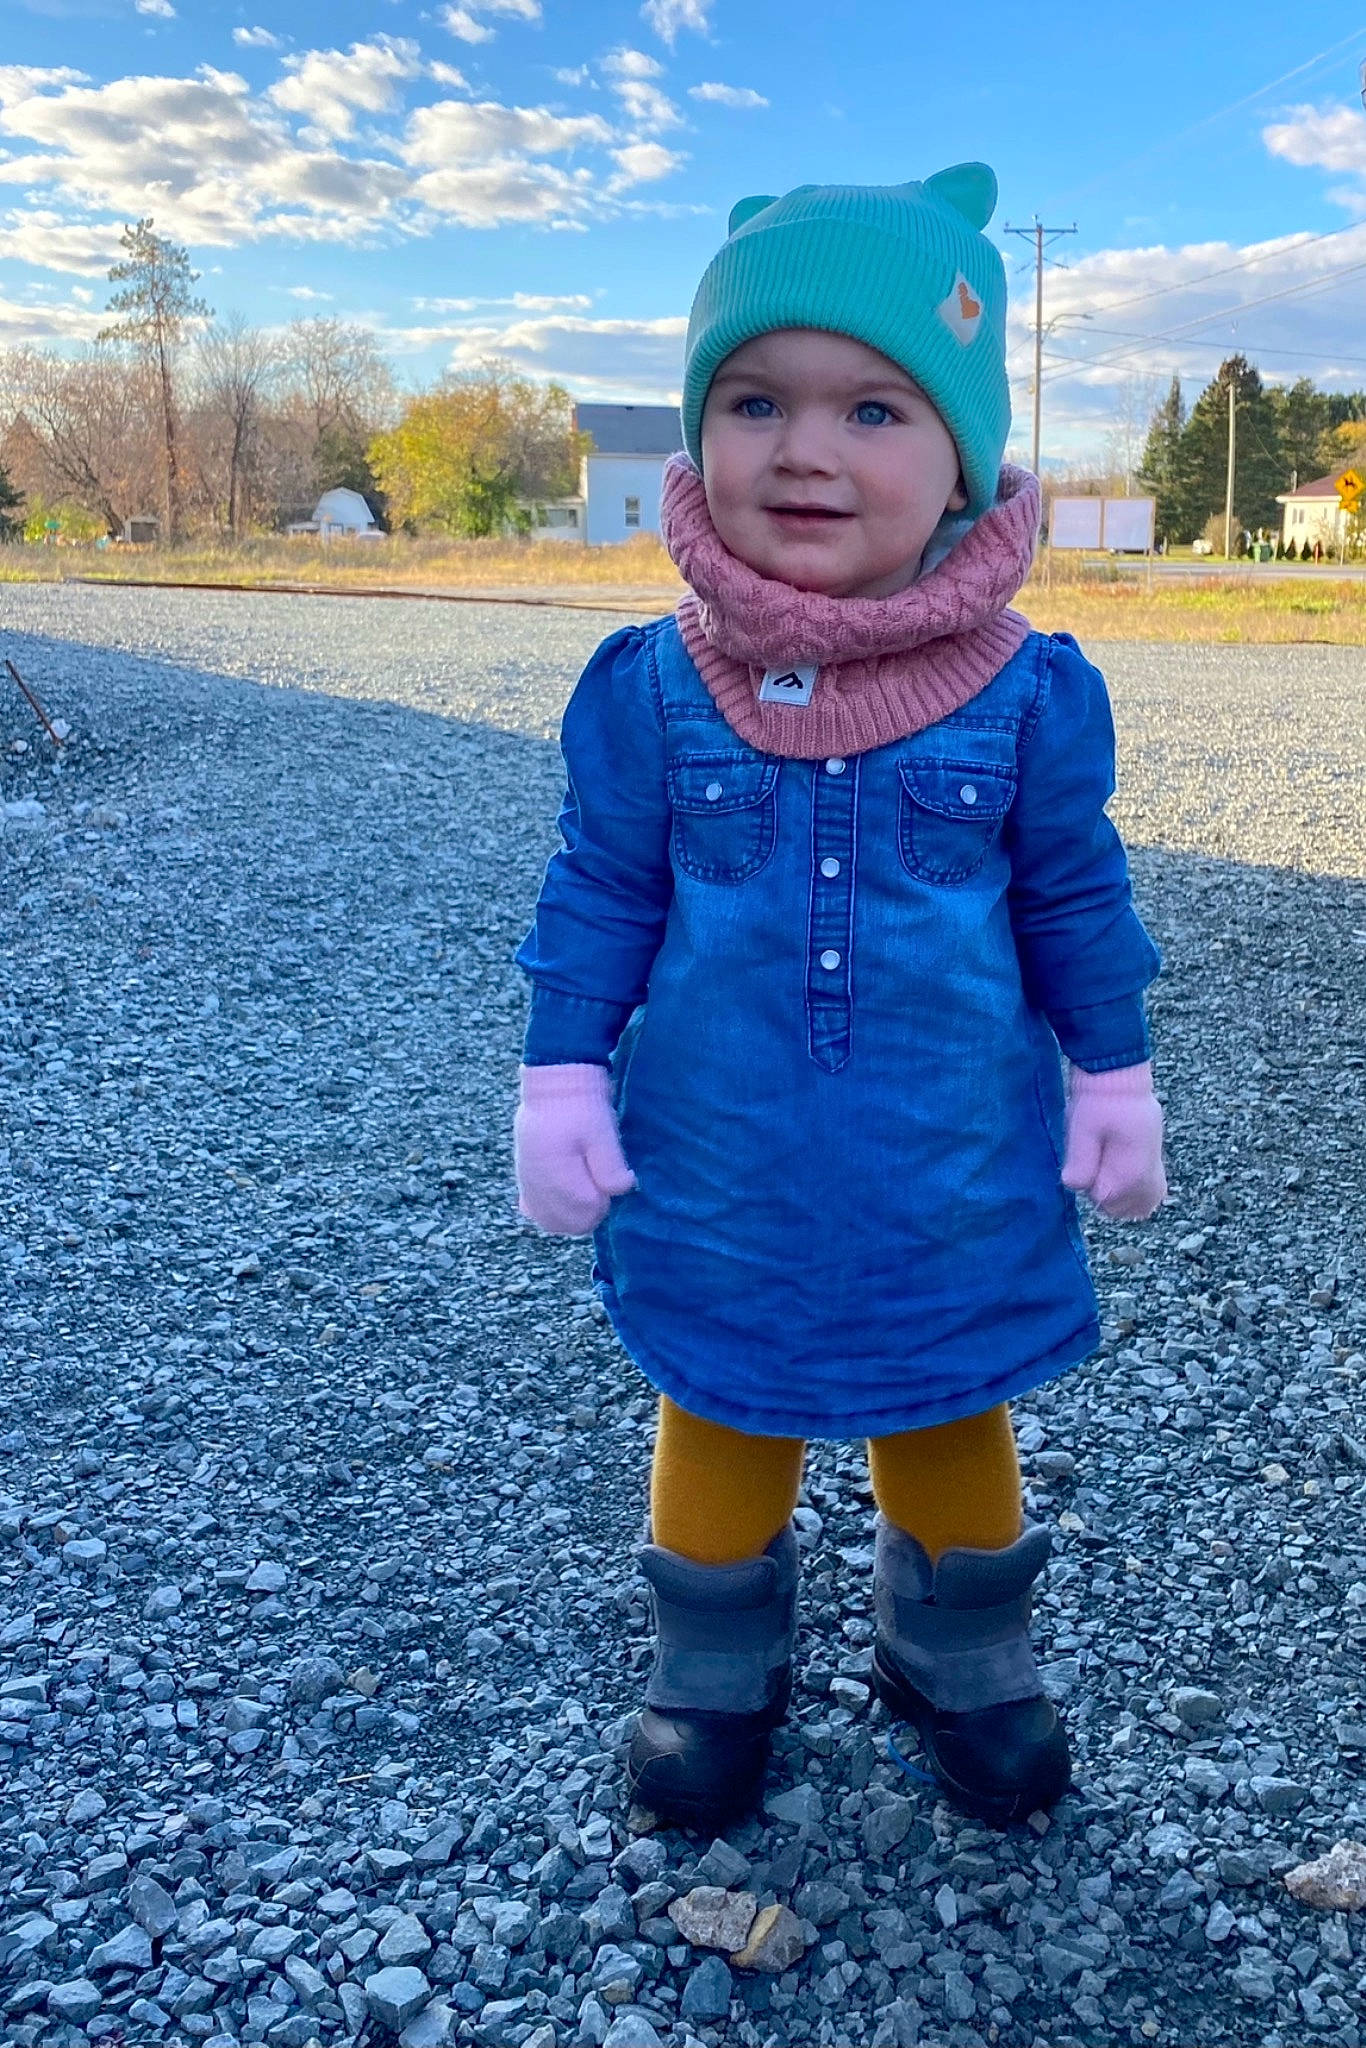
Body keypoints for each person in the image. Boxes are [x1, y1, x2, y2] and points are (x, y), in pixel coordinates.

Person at [513, 165, 1166, 1832]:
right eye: (754, 400)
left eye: (873, 405)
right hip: (717, 1157)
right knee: (720, 1391)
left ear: (959, 458)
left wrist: (1113, 1072)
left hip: (948, 1159)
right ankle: (710, 1667)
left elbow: (1075, 895)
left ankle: (957, 1652)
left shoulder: (1028, 693)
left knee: (949, 1392)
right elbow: (601, 887)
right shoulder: (654, 685)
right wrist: (560, 1073)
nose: (803, 447)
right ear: (698, 434)